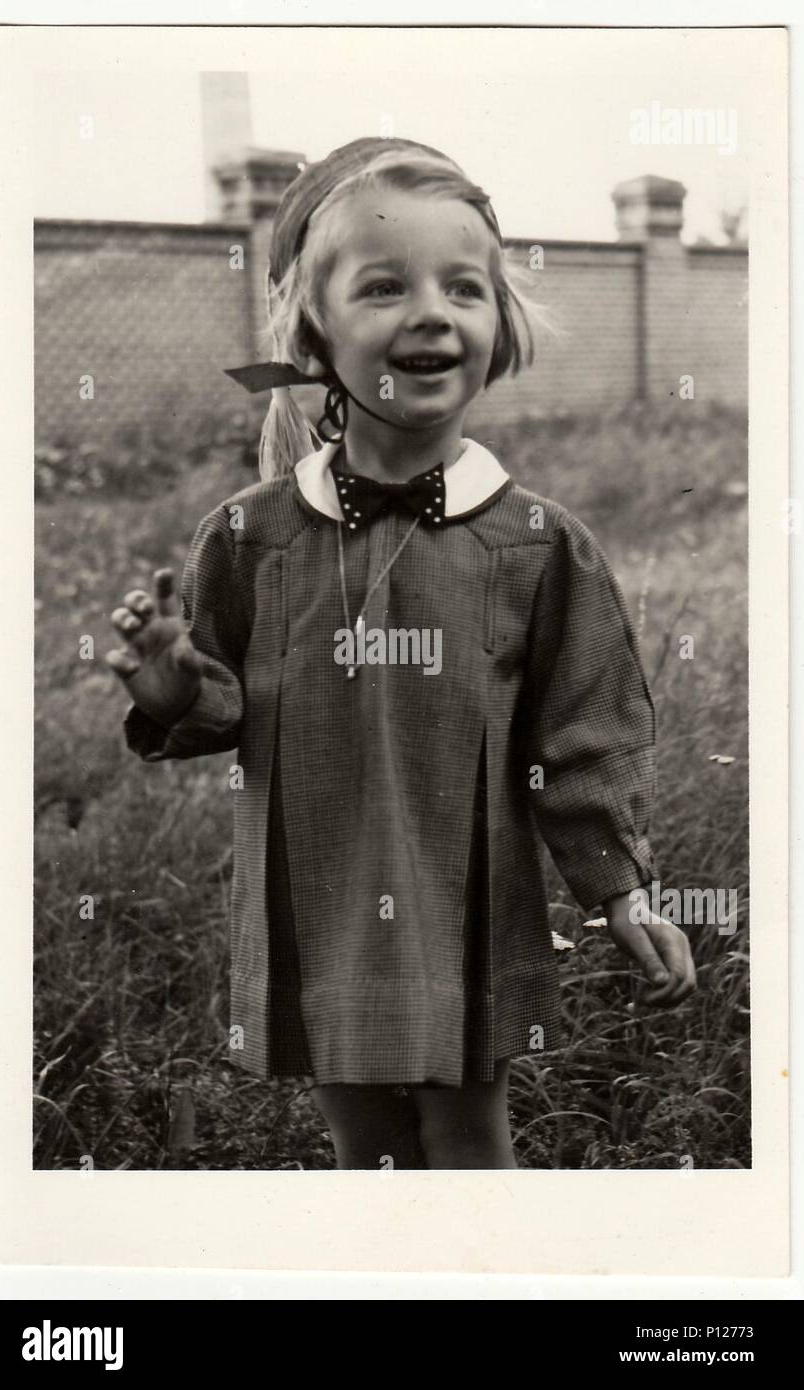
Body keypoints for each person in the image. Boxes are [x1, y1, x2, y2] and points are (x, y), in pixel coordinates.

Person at [105, 136, 696, 1170]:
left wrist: (621, 889)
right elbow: (218, 701)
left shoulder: (537, 545)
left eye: (461, 287)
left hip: (463, 895)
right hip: (320, 888)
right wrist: (168, 680)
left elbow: (583, 734)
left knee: (468, 1138)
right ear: (314, 334)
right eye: (384, 286)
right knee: (365, 1143)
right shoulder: (251, 535)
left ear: (498, 327)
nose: (430, 310)